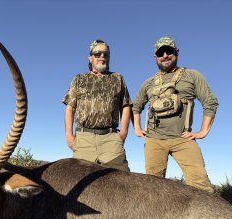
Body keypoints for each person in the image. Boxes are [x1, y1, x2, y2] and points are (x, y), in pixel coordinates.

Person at [132, 36, 218, 192]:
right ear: (155, 57)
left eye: (169, 51)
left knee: (201, 185)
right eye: (160, 53)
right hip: (154, 140)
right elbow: (135, 106)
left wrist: (203, 132)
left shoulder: (192, 75)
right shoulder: (148, 83)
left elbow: (210, 102)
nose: (165, 55)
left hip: (183, 139)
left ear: (176, 52)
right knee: (153, 189)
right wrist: (137, 129)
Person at [63, 39, 132, 172]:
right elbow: (70, 107)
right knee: (80, 180)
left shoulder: (118, 78)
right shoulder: (79, 79)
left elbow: (126, 105)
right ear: (90, 58)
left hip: (111, 139)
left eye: (106, 54)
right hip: (84, 139)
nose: (102, 57)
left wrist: (123, 133)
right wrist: (69, 135)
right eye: (97, 54)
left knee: (122, 182)